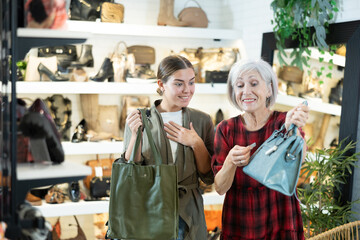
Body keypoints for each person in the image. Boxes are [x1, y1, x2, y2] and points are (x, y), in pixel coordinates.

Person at [211, 59, 309, 240]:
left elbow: (300, 158)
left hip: (280, 217)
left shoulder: (283, 122)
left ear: (269, 89)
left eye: (254, 83)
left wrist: (292, 131)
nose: (246, 91)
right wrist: (230, 162)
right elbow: (220, 188)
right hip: (240, 221)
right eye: (239, 85)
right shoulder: (225, 129)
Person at [123, 55, 215, 240]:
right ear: (161, 84)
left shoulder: (202, 120)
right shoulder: (140, 118)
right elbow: (129, 171)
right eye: (179, 84)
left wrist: (196, 143)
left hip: (188, 212)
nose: (187, 90)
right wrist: (135, 135)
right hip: (149, 210)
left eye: (191, 82)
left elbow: (208, 176)